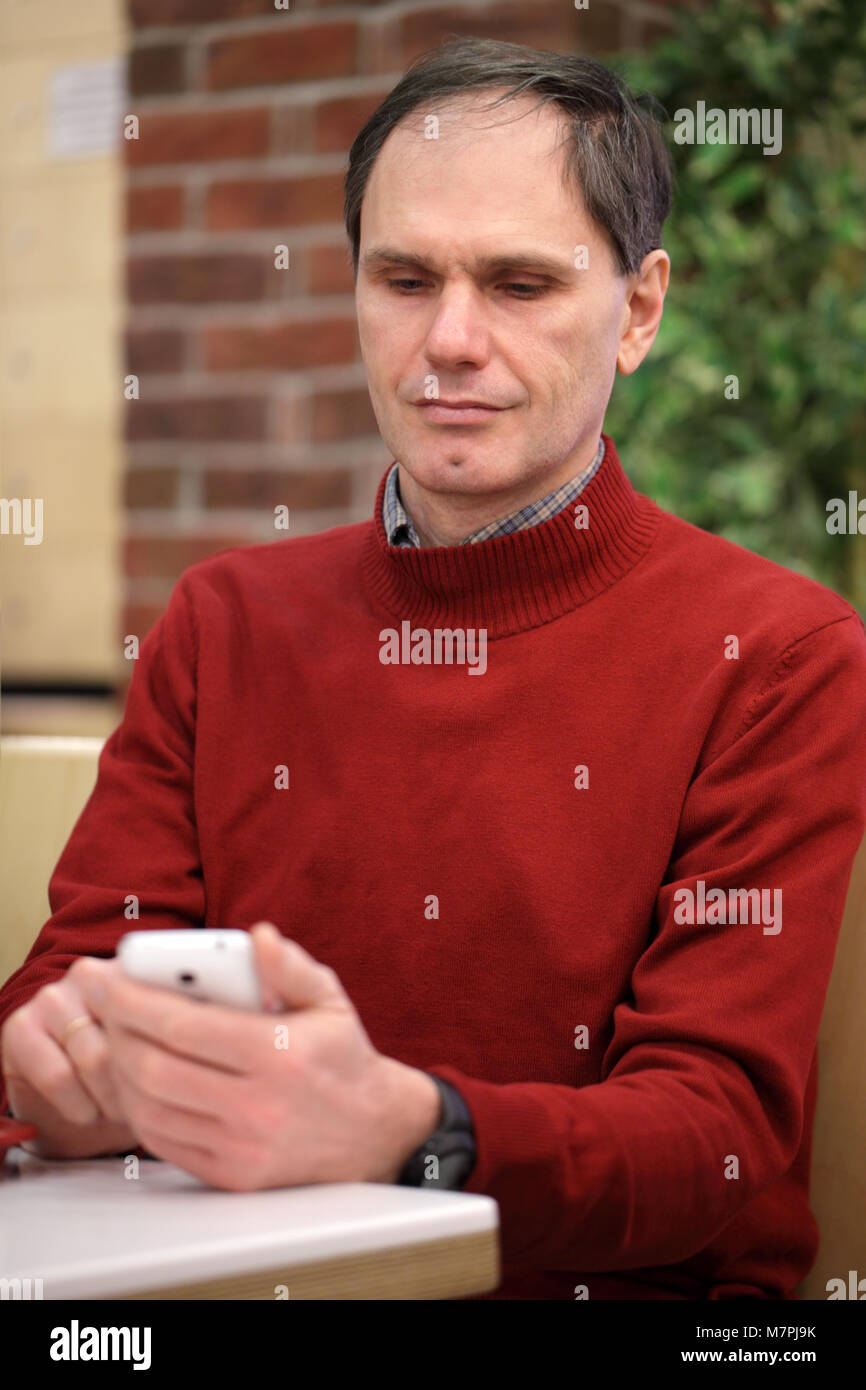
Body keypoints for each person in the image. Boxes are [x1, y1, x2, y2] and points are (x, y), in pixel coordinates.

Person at [1, 38, 865, 1302]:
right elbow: (66, 986)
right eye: (403, 278)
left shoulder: (776, 656)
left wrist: (411, 1130)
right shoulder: (221, 621)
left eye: (518, 283)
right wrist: (55, 1078)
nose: (448, 340)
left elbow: (710, 1136)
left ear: (636, 312)